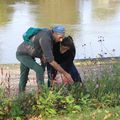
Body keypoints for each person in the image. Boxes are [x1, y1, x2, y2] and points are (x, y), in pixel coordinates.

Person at [16, 25, 73, 92]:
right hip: (22, 54)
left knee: (25, 75)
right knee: (39, 70)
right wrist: (65, 74)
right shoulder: (46, 38)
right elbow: (51, 61)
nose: (61, 40)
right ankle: (42, 93)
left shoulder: (49, 34)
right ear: (54, 33)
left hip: (30, 53)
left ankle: (21, 94)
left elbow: (44, 52)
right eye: (60, 37)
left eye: (62, 37)